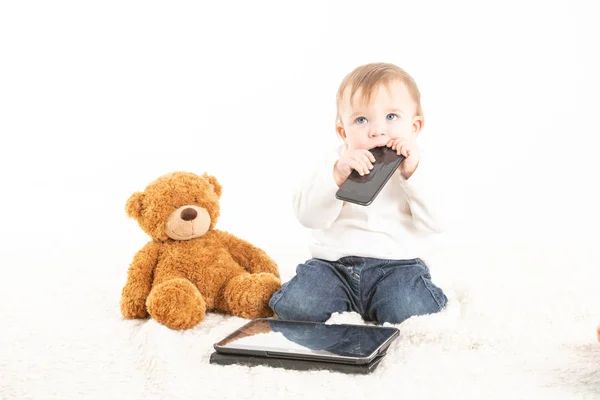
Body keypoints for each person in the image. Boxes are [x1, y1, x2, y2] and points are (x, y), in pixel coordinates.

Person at [269, 62, 448, 324]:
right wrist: (336, 176)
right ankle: (355, 303)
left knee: (407, 309)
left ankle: (399, 298)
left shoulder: (420, 165)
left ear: (415, 126)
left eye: (391, 117)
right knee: (297, 307)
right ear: (343, 131)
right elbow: (309, 217)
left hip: (397, 266)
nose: (377, 130)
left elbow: (438, 221)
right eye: (361, 120)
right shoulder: (336, 163)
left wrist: (412, 175)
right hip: (333, 266)